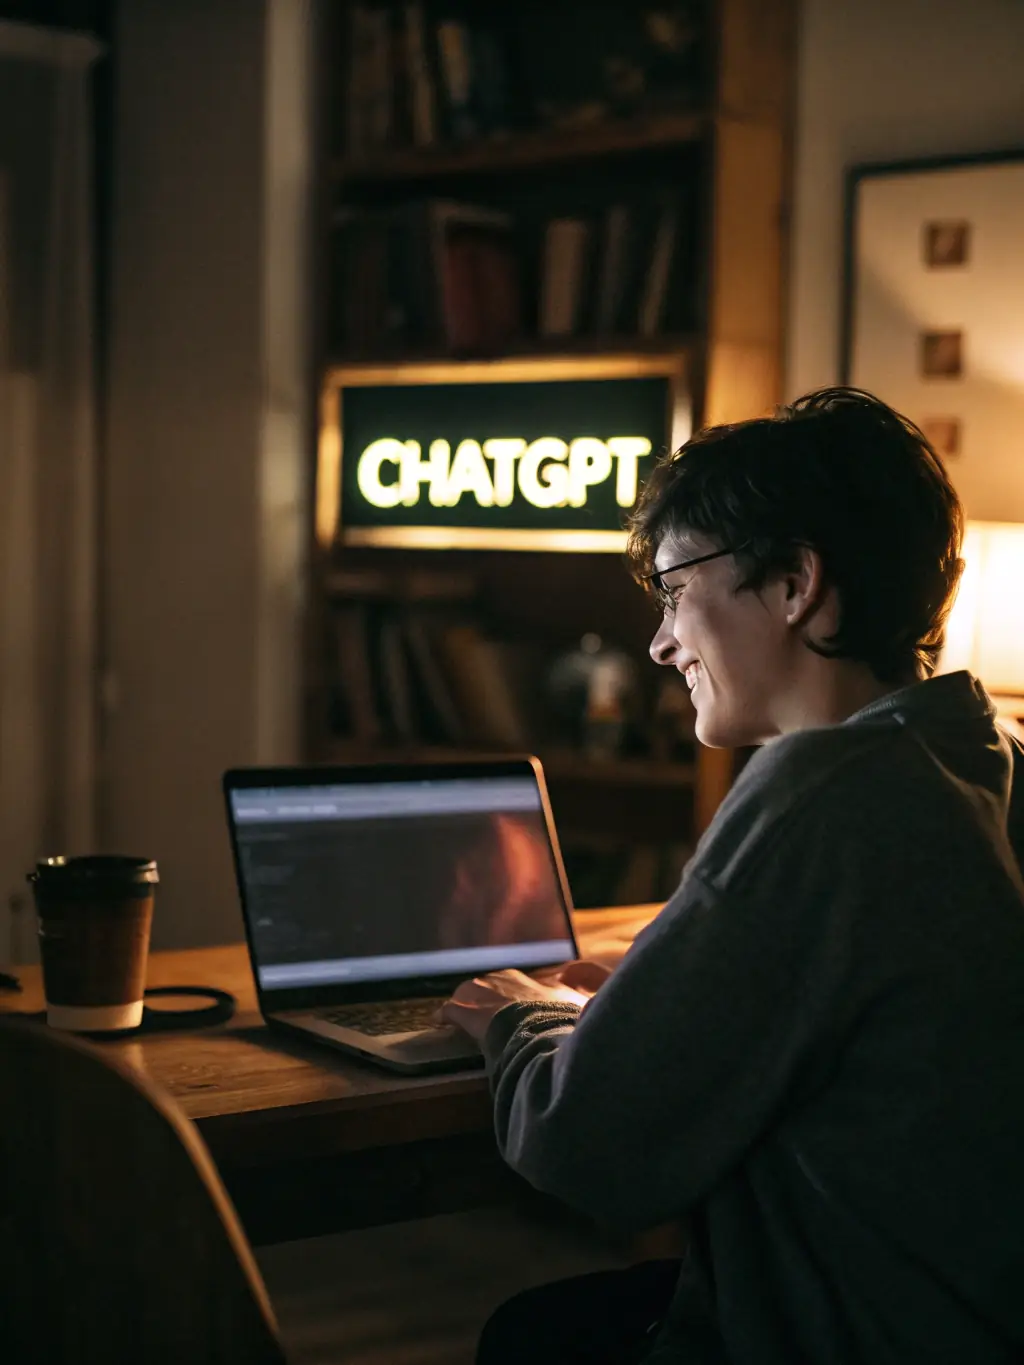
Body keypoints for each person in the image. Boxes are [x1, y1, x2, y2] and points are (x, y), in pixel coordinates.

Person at [440, 388, 1024, 1365]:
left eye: (674, 593)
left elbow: (585, 1143)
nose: (662, 643)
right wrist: (652, 985)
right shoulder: (983, 755)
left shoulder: (820, 789)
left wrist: (516, 1012)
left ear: (794, 581)